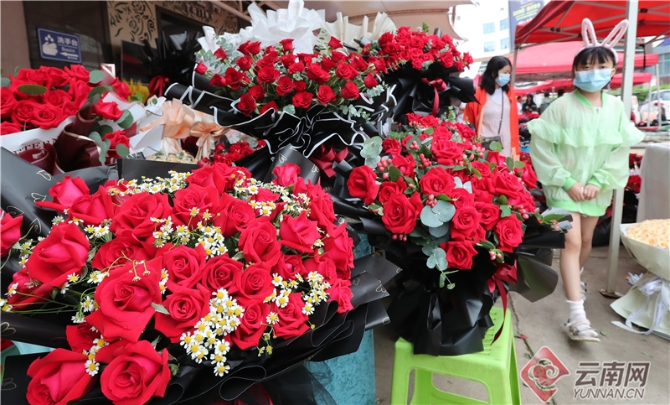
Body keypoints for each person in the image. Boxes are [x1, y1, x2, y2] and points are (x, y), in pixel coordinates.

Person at [528, 18, 644, 343]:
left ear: (612, 70)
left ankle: (574, 279)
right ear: (575, 70)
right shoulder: (561, 107)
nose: (594, 72)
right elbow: (542, 147)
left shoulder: (616, 107)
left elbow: (620, 149)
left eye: (601, 66)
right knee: (572, 242)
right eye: (587, 66)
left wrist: (599, 180)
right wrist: (567, 182)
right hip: (563, 188)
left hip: (596, 189)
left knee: (588, 240)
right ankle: (577, 316)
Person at [464, 56, 520, 157]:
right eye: (505, 72)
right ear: (494, 73)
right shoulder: (477, 93)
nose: (508, 76)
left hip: (506, 145)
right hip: (484, 146)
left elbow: (513, 119)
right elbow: (470, 119)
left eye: (509, 73)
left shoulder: (510, 93)